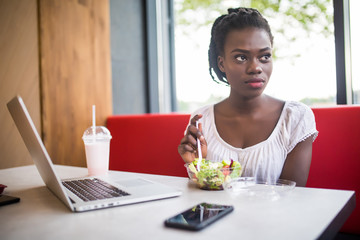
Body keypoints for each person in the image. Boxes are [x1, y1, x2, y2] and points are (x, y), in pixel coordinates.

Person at [177, 7, 318, 187]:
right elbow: (204, 203)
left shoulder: (295, 117)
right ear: (222, 63)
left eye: (265, 56)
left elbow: (292, 197)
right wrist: (196, 164)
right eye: (241, 58)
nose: (255, 68)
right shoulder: (202, 120)